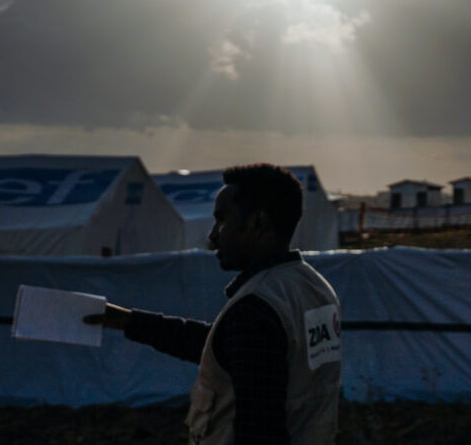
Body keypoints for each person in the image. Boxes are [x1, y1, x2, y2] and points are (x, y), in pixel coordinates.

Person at [84, 164, 341, 444]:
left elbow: (259, 428)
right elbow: (225, 348)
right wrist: (127, 321)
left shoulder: (256, 307)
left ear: (257, 223)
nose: (213, 235)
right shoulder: (314, 289)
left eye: (221, 220)